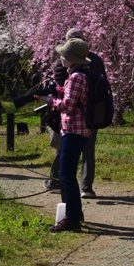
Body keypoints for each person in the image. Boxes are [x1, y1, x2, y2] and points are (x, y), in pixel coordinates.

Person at [39, 38, 93, 233]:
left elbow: (68, 106)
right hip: (77, 130)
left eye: (64, 55)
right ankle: (75, 214)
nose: (61, 57)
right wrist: (56, 89)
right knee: (68, 174)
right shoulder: (77, 75)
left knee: (67, 176)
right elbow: (71, 97)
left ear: (72, 59)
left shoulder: (77, 76)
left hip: (74, 130)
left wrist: (50, 100)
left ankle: (71, 218)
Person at [47, 27, 106, 198]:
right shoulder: (96, 60)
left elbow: (64, 95)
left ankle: (56, 179)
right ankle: (86, 186)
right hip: (93, 113)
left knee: (65, 149)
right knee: (88, 150)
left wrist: (50, 98)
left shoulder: (66, 63)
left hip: (72, 115)